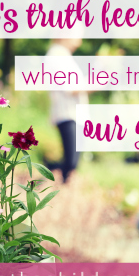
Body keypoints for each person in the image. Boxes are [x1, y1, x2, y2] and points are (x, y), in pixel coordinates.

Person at [44, 38, 88, 182]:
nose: (79, 42)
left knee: (72, 162)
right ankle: (45, 175)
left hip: (72, 114)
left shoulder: (62, 56)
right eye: (77, 37)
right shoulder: (57, 55)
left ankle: (48, 175)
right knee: (71, 163)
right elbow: (71, 88)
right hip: (67, 113)